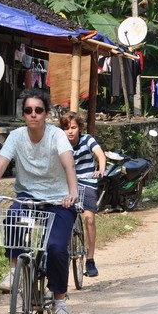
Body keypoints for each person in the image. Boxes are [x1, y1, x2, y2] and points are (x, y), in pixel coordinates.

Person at [0, 89, 78, 314]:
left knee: (56, 248)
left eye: (38, 110)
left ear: (46, 113)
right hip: (27, 197)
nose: (33, 114)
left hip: (59, 200)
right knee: (13, 216)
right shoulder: (16, 136)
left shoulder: (57, 135)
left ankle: (59, 301)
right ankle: (15, 271)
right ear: (23, 114)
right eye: (28, 110)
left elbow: (68, 163)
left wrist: (72, 192)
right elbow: (2, 162)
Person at [59, 111, 107, 277]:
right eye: (66, 128)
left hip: (87, 182)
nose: (70, 131)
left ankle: (90, 259)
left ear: (80, 128)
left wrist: (100, 170)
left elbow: (100, 154)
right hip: (66, 185)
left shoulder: (88, 140)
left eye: (73, 127)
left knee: (89, 219)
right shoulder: (59, 143)